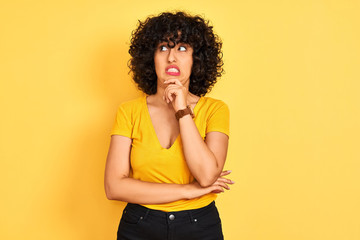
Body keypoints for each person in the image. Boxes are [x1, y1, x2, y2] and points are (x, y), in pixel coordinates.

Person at [104, 11, 233, 240]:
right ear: (151, 57)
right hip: (139, 226)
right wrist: (187, 191)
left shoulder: (215, 109)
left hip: (200, 226)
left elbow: (206, 176)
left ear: (197, 59)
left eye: (182, 48)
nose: (171, 57)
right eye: (163, 47)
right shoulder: (129, 112)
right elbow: (114, 187)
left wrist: (182, 110)